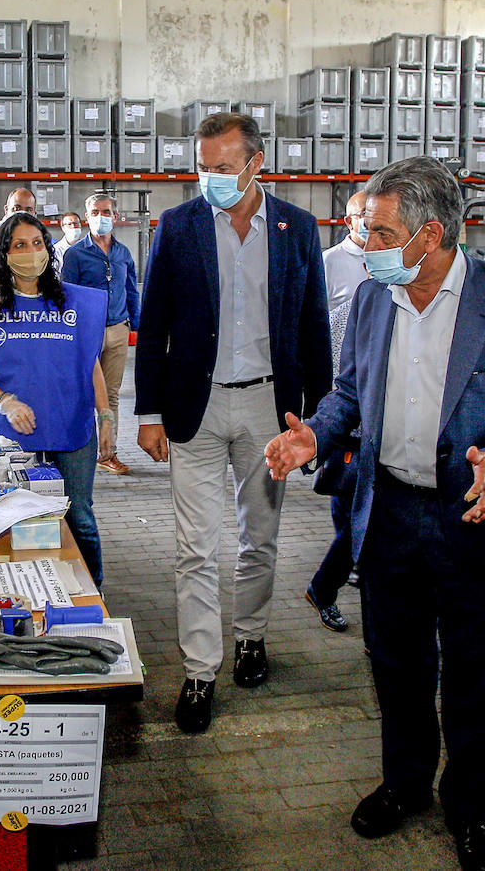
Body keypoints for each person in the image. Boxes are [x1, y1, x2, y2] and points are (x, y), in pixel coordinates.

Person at [263, 156, 485, 871]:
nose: (362, 247)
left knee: (477, 673)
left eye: (376, 233)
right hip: (390, 515)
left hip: (474, 517)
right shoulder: (377, 299)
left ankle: (471, 809)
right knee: (396, 665)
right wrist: (317, 432)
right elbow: (350, 393)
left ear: (430, 234)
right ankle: (405, 785)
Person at [134, 112, 331, 733]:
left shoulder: (296, 229)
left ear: (256, 163)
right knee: (195, 548)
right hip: (195, 405)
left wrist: (320, 420)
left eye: (223, 167)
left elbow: (313, 325)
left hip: (269, 406)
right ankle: (199, 669)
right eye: (203, 167)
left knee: (260, 537)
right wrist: (148, 411)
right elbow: (154, 321)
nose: (211, 178)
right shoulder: (179, 226)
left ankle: (251, 636)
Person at [0, 213, 114, 587]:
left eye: (37, 244)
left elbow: (90, 366)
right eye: (20, 246)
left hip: (72, 428)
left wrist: (105, 417)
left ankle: (92, 590)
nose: (31, 253)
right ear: (4, 255)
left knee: (79, 518)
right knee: (10, 518)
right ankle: (20, 589)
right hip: (10, 436)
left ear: (48, 248)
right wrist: (6, 401)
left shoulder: (75, 304)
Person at [306, 188, 369, 632]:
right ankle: (327, 584)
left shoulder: (398, 272)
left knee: (365, 517)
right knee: (352, 507)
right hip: (346, 408)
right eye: (363, 218)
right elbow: (317, 334)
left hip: (382, 415)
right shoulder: (331, 265)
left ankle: (339, 576)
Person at [60, 193, 141, 475]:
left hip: (118, 330)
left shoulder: (123, 253)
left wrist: (136, 325)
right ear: (87, 216)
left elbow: (132, 290)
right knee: (85, 394)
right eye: (95, 212)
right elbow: (66, 297)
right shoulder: (75, 254)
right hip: (86, 335)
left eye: (106, 212)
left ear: (115, 217)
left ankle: (109, 453)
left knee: (112, 395)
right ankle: (79, 451)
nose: (100, 217)